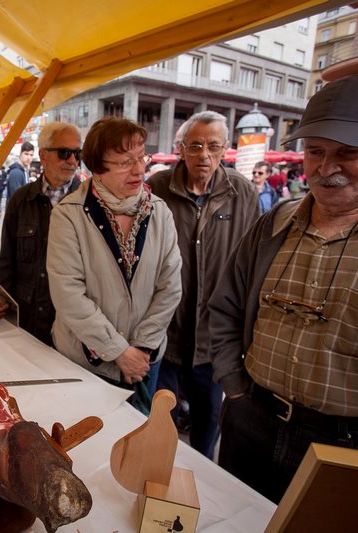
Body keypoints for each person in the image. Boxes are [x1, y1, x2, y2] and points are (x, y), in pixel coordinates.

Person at [209, 74, 358, 503]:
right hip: (251, 424)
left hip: (353, 448)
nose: (325, 168)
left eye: (349, 153)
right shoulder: (275, 223)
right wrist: (236, 389)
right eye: (315, 151)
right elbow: (223, 308)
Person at [47, 117, 182, 414]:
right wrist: (119, 351)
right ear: (96, 168)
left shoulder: (159, 211)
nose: (138, 170)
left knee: (139, 445)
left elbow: (170, 286)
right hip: (87, 362)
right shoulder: (68, 215)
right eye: (123, 162)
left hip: (145, 362)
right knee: (90, 444)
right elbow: (68, 294)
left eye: (141, 157)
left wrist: (141, 349)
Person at [146, 110, 259, 459]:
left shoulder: (241, 192)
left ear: (225, 149)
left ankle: (199, 488)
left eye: (213, 146)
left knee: (208, 425)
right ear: (181, 149)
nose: (204, 155)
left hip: (214, 341)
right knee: (159, 422)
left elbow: (252, 266)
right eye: (195, 146)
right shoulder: (158, 187)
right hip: (166, 332)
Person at [0, 122, 83, 346]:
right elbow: (7, 263)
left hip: (70, 327)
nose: (73, 161)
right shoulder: (21, 199)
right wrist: (6, 315)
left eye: (77, 154)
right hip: (27, 320)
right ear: (43, 156)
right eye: (64, 153)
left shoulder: (89, 202)